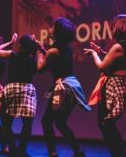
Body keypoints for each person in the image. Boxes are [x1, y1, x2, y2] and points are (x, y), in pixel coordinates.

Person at [36, 17, 90, 157]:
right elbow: (54, 62)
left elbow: (41, 68)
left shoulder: (53, 51)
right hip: (72, 86)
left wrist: (39, 53)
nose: (50, 28)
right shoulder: (66, 49)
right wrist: (44, 51)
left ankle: (52, 153)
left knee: (47, 121)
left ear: (57, 32)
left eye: (53, 26)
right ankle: (78, 152)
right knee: (60, 122)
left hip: (63, 88)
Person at [84, 14, 126, 157]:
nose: (111, 29)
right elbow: (116, 59)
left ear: (118, 27)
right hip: (120, 85)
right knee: (107, 124)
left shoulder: (118, 46)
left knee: (106, 124)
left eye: (113, 26)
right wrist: (101, 51)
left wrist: (94, 53)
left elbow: (101, 66)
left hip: (113, 87)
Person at [0, 34, 39, 157]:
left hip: (12, 88)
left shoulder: (12, 55)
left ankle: (13, 150)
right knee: (27, 124)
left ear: (21, 45)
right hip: (27, 89)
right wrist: (39, 47)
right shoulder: (33, 58)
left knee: (6, 123)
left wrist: (10, 42)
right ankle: (22, 151)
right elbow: (40, 67)